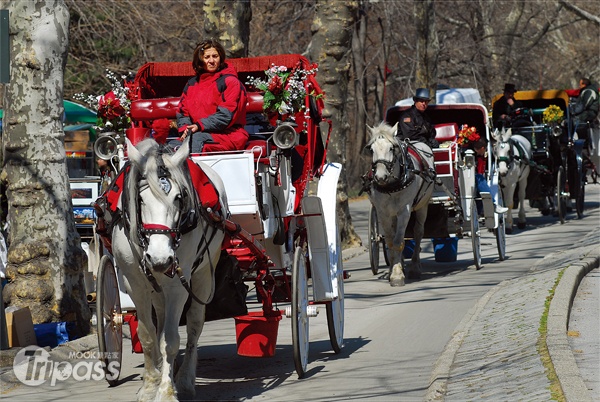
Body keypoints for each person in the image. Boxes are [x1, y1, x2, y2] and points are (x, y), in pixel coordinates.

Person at [171, 39, 249, 153]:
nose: (211, 61)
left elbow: (225, 116)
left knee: (196, 140)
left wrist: (199, 125)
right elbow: (183, 112)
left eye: (215, 56)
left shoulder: (231, 82)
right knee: (170, 146)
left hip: (229, 135)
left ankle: (194, 171)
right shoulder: (191, 84)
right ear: (200, 60)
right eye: (207, 57)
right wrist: (185, 129)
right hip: (197, 133)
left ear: (220, 58)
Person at [473, 139, 508, 215]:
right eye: (485, 149)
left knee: (478, 189)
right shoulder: (471, 155)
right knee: (480, 179)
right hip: (468, 178)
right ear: (482, 148)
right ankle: (494, 205)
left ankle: (479, 211)